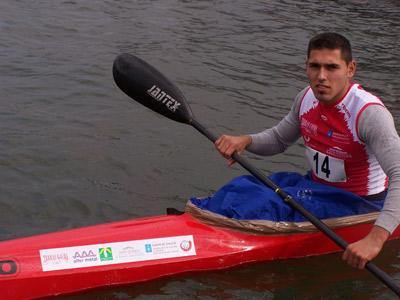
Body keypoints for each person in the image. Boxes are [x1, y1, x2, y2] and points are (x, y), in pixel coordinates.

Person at [214, 32, 400, 270]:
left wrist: (374, 240)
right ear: (306, 67)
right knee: (241, 186)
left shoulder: (369, 114)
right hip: (315, 187)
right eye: (315, 66)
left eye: (331, 67)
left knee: (263, 204)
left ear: (350, 69)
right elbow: (279, 139)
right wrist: (246, 141)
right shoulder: (306, 98)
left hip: (359, 203)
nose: (321, 76)